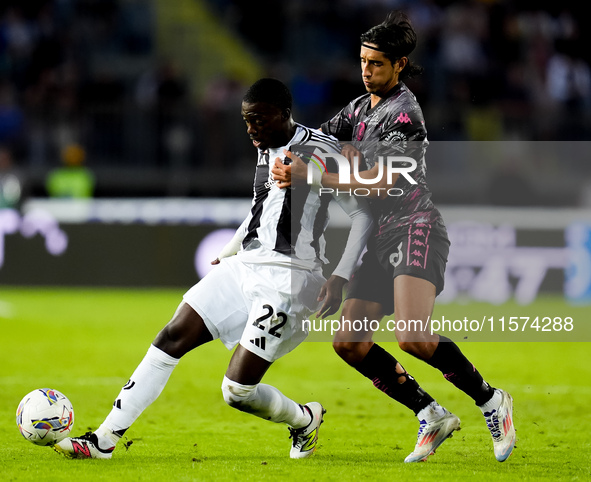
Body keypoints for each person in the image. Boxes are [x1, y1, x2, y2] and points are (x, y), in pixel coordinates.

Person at [53, 78, 372, 460]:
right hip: (246, 265)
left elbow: (363, 214)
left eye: (259, 120)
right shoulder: (265, 147)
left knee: (236, 391)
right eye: (246, 121)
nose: (251, 129)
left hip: (290, 278)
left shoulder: (321, 151)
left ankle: (303, 419)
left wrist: (339, 276)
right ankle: (103, 440)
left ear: (284, 114)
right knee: (172, 335)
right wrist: (231, 249)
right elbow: (263, 208)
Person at [272, 11, 515, 463]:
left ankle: (491, 400)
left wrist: (321, 173)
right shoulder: (361, 107)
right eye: (363, 61)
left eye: (377, 64)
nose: (366, 71)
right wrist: (284, 149)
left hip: (414, 225)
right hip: (379, 237)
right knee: (349, 342)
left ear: (399, 64)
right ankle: (430, 413)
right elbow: (317, 139)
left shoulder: (404, 115)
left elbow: (383, 182)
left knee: (412, 336)